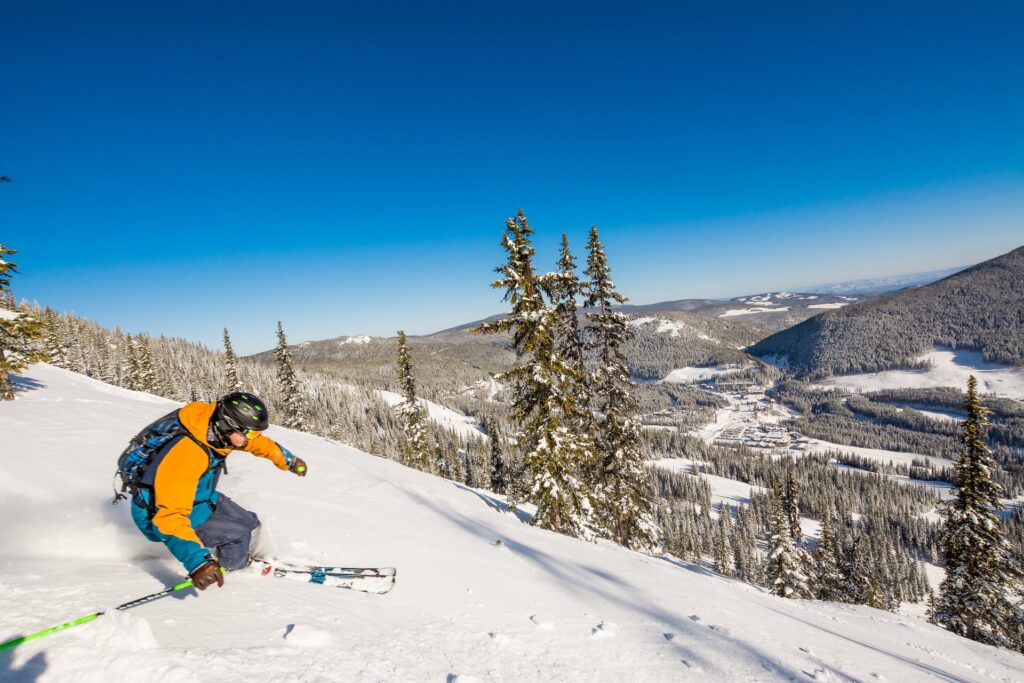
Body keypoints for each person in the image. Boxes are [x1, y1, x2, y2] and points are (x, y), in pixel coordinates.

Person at [125, 392, 307, 591]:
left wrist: (287, 460)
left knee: (251, 523)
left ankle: (247, 557)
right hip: (160, 513)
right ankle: (231, 568)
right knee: (237, 537)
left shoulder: (212, 425)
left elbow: (256, 443)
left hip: (199, 496)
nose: (250, 439)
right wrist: (198, 563)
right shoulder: (187, 455)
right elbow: (169, 518)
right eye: (248, 433)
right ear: (227, 424)